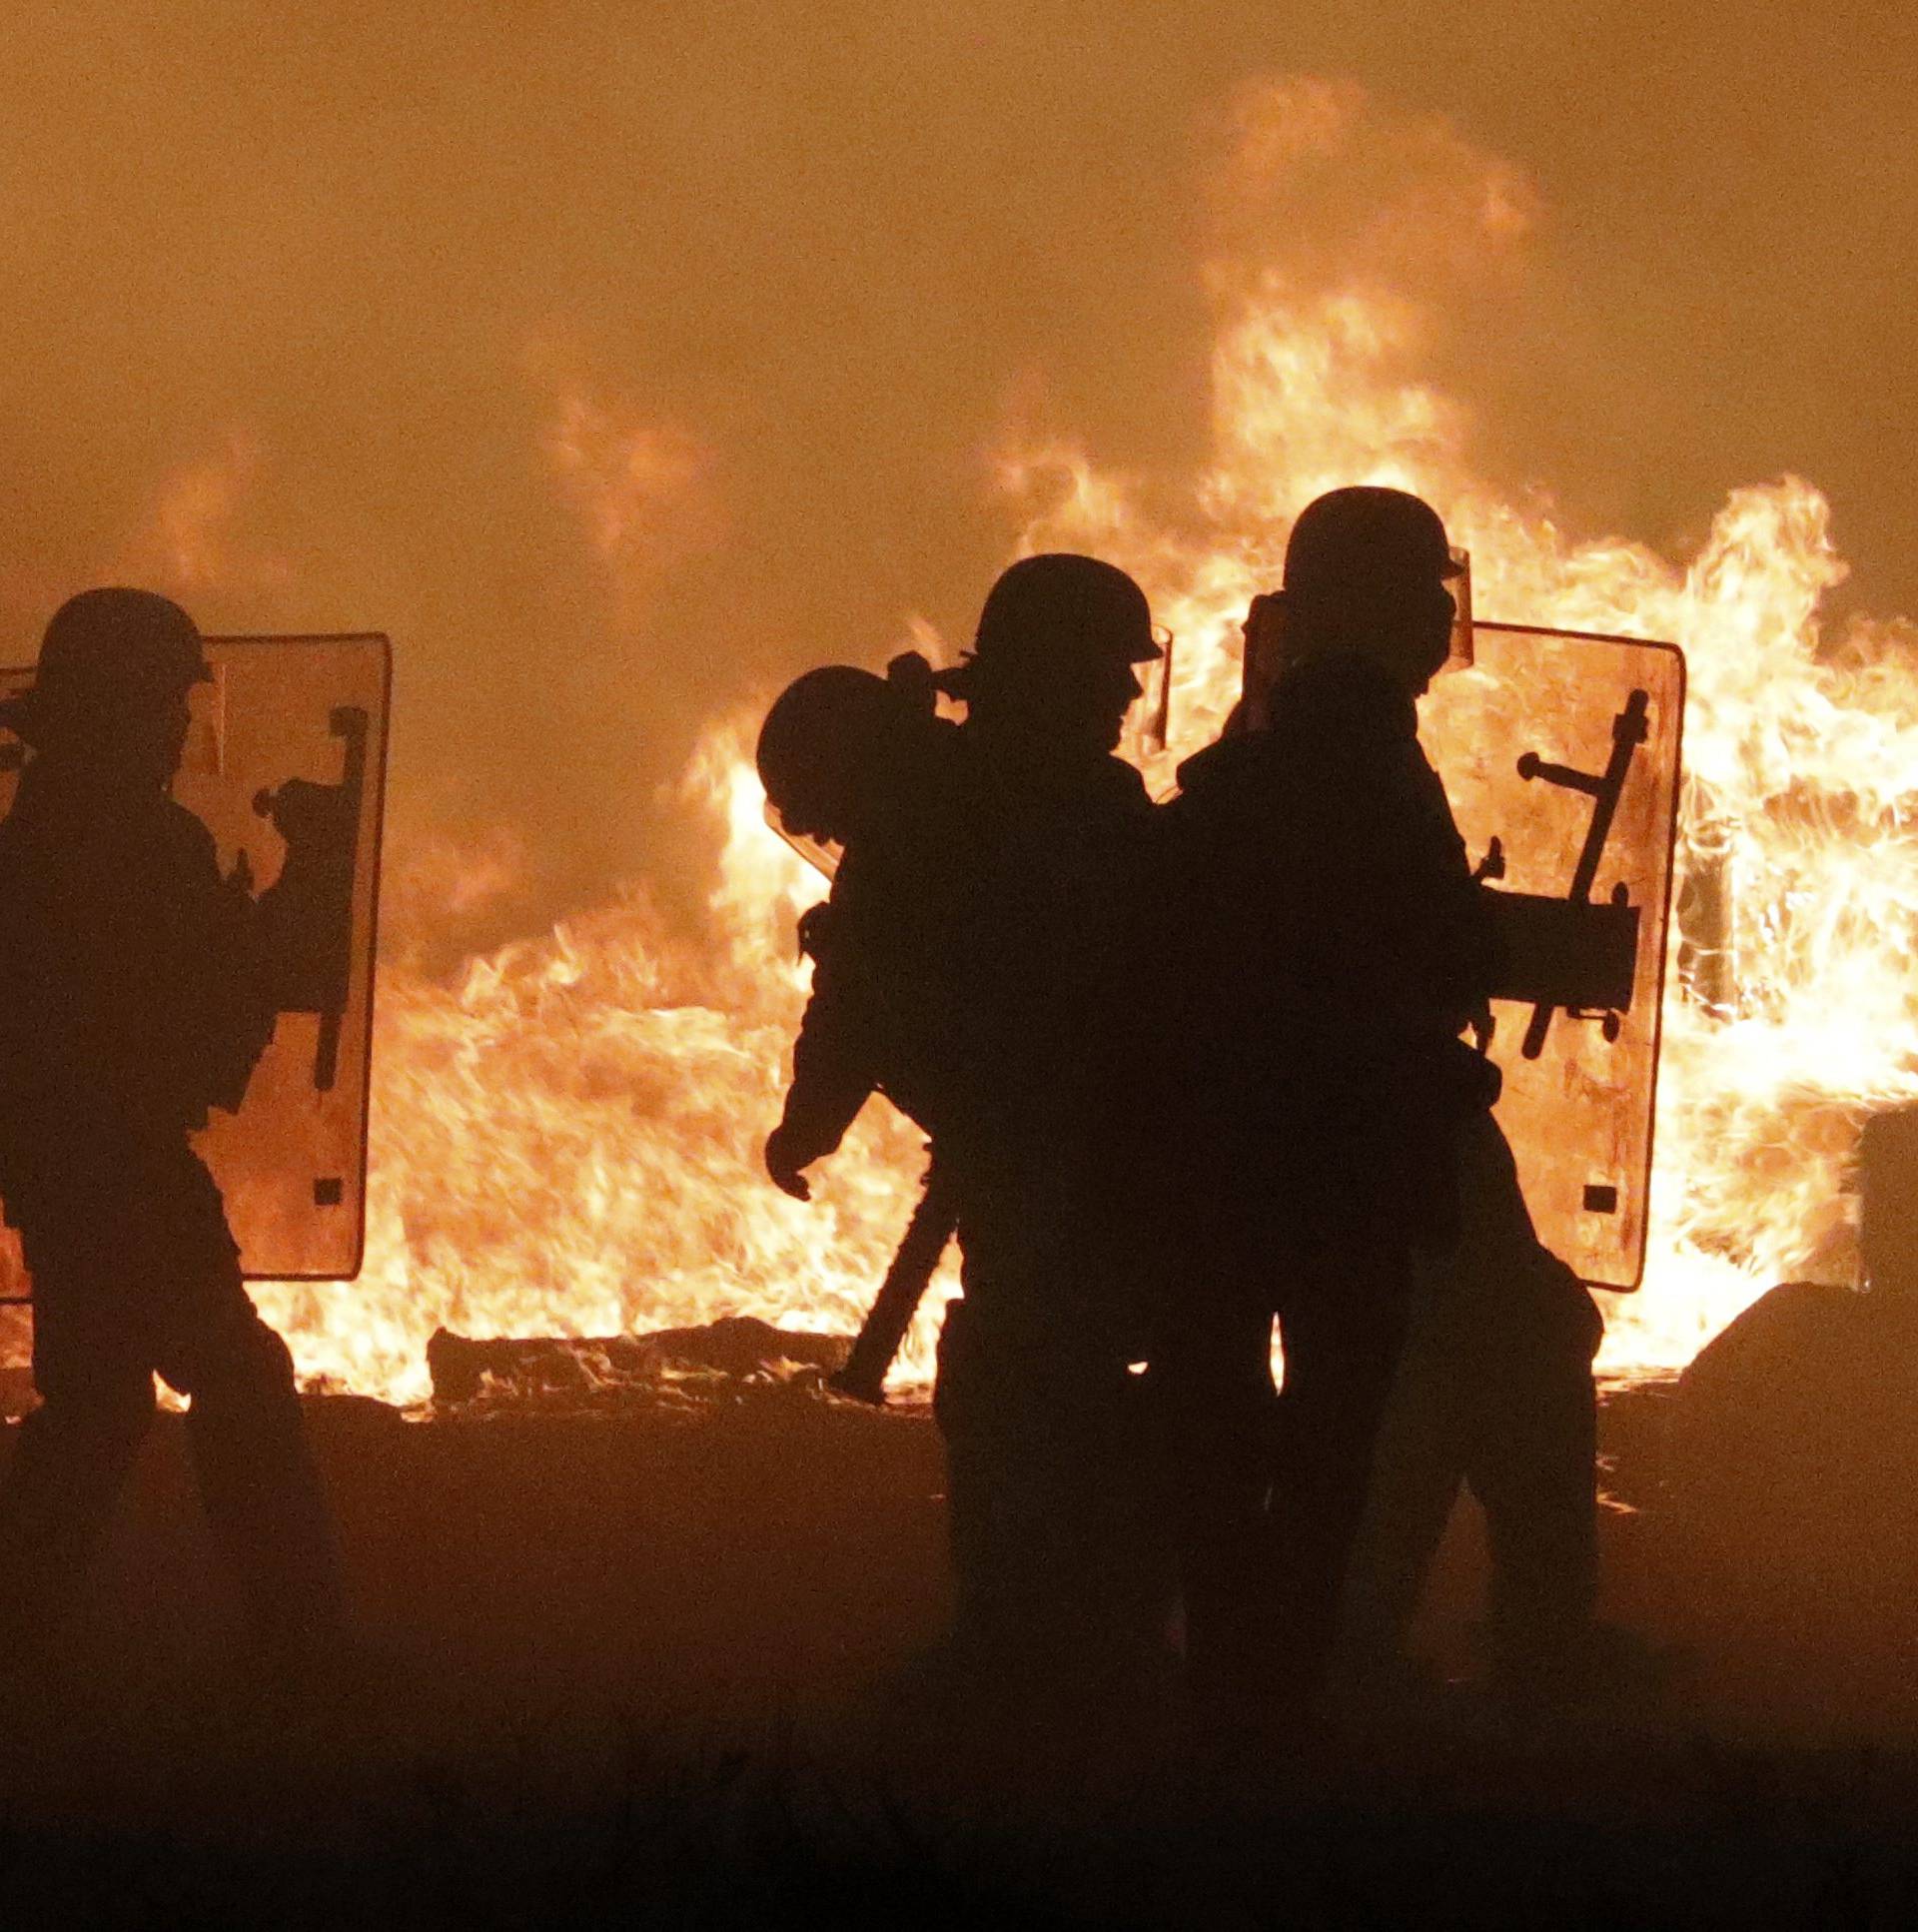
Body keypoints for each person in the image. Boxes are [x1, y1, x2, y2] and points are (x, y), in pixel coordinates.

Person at [762, 556, 1168, 1686]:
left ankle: (1032, 1646)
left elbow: (860, 998)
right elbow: (873, 987)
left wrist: (808, 1127)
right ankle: (1081, 1641)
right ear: (1051, 678)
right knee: (1048, 1388)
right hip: (1081, 1160)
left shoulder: (957, 809)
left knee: (1019, 1389)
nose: (1126, 701)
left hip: (1066, 1162)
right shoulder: (1063, 809)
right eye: (1107, 677)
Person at [1155, 486, 1498, 1722]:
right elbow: (1409, 949)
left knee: (1228, 1417)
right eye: (1423, 594)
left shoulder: (1269, 751)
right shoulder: (1361, 757)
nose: (1439, 617)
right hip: (1332, 1153)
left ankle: (1232, 1678)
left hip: (1232, 1152)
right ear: (1371, 605)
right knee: (1324, 1432)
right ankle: (1271, 1694)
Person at [0, 587, 340, 1665]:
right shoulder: (129, 843)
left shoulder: (47, 832)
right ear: (118, 709)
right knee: (233, 1380)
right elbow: (217, 995)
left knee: (98, 1408)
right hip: (117, 1167)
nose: (175, 727)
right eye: (160, 704)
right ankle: (298, 1649)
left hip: (72, 1164)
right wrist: (309, 876)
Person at [1338, 1107, 1607, 1706]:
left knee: (1379, 1554)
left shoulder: (1417, 1114)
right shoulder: (1441, 1115)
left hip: (1454, 1344)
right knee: (1538, 1577)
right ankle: (1537, 1695)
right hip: (1480, 1345)